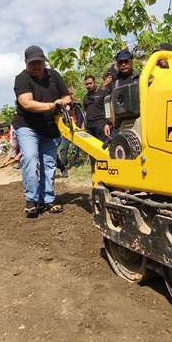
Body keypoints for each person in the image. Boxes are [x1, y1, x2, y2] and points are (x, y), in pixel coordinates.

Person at [12, 45, 72, 218]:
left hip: (50, 128)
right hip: (27, 126)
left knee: (49, 165)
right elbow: (26, 103)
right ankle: (32, 200)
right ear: (26, 64)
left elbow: (67, 95)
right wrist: (52, 105)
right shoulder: (22, 79)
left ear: (44, 61)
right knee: (30, 158)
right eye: (33, 64)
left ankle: (48, 200)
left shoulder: (54, 75)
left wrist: (64, 102)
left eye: (40, 63)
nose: (37, 66)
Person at [104, 49, 138, 138]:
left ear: (131, 62)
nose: (123, 64)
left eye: (126, 61)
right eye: (120, 62)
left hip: (138, 122)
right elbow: (108, 102)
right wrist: (108, 123)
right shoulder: (114, 82)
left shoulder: (141, 78)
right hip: (119, 125)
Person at [83, 75, 108, 141]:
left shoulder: (102, 93)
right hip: (89, 126)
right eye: (87, 84)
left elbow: (108, 109)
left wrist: (107, 124)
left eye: (90, 83)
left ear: (94, 83)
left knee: (102, 146)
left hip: (101, 125)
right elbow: (85, 111)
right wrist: (83, 124)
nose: (89, 85)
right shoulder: (85, 97)